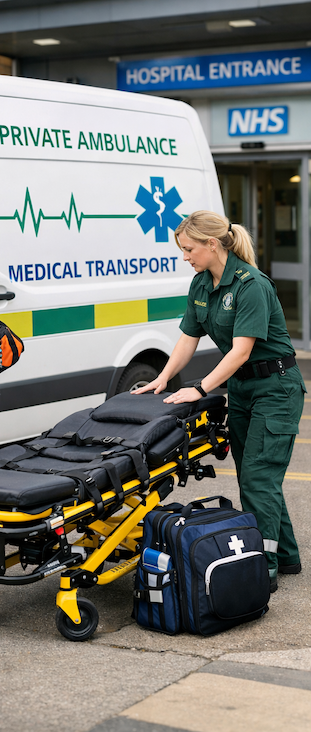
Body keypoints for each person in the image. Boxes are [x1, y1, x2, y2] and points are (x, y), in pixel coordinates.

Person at [135, 210, 305, 593]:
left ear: (213, 244)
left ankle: (265, 567)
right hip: (243, 389)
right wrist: (161, 379)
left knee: (260, 478)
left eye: (189, 249)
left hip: (275, 387)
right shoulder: (201, 283)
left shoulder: (251, 284)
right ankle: (288, 554)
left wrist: (200, 388)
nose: (185, 256)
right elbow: (187, 338)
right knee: (255, 476)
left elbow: (241, 351)